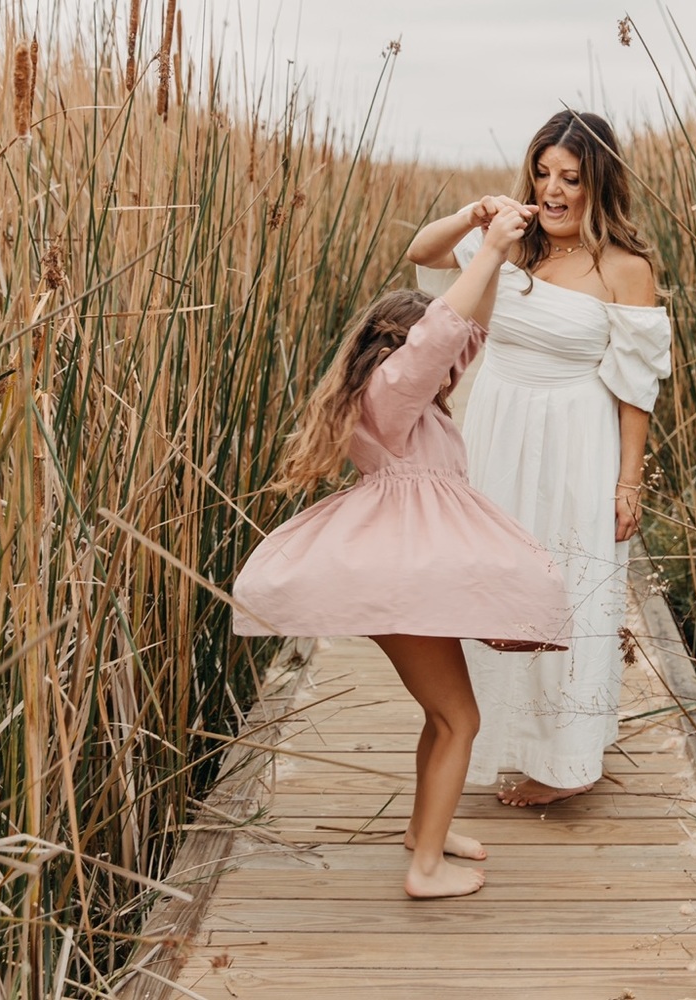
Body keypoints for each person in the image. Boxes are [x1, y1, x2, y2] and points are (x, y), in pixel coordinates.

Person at [232, 205, 570, 898]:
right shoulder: (393, 396)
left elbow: (465, 330)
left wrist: (471, 226)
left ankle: (427, 831)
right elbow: (443, 335)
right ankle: (423, 871)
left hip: (408, 574)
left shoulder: (408, 401)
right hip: (400, 575)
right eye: (437, 358)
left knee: (441, 714)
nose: (454, 368)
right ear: (404, 350)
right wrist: (491, 254)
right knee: (460, 718)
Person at [407, 110, 672, 808]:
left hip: (576, 438)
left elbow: (636, 385)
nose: (553, 190)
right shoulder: (510, 247)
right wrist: (475, 218)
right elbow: (422, 253)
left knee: (567, 589)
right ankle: (495, 734)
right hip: (496, 428)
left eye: (571, 179)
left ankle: (567, 762)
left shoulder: (626, 268)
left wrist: (628, 481)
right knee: (494, 586)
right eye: (543, 173)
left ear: (599, 185)